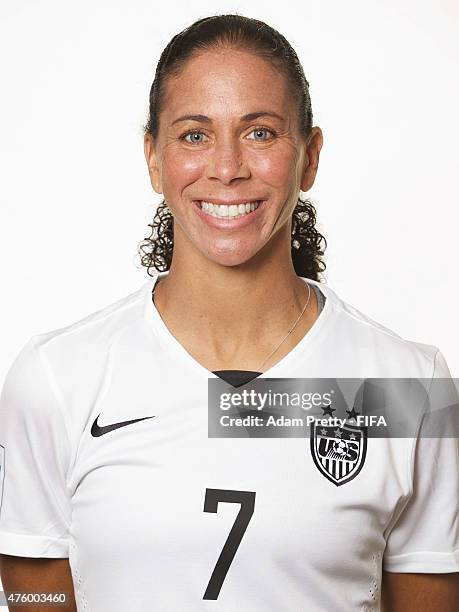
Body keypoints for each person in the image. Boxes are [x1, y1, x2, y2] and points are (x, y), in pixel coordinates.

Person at [0, 13, 458, 612]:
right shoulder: (57, 377)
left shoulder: (408, 387)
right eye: (194, 134)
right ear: (154, 158)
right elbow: (33, 595)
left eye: (260, 133)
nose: (226, 167)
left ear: (310, 156)